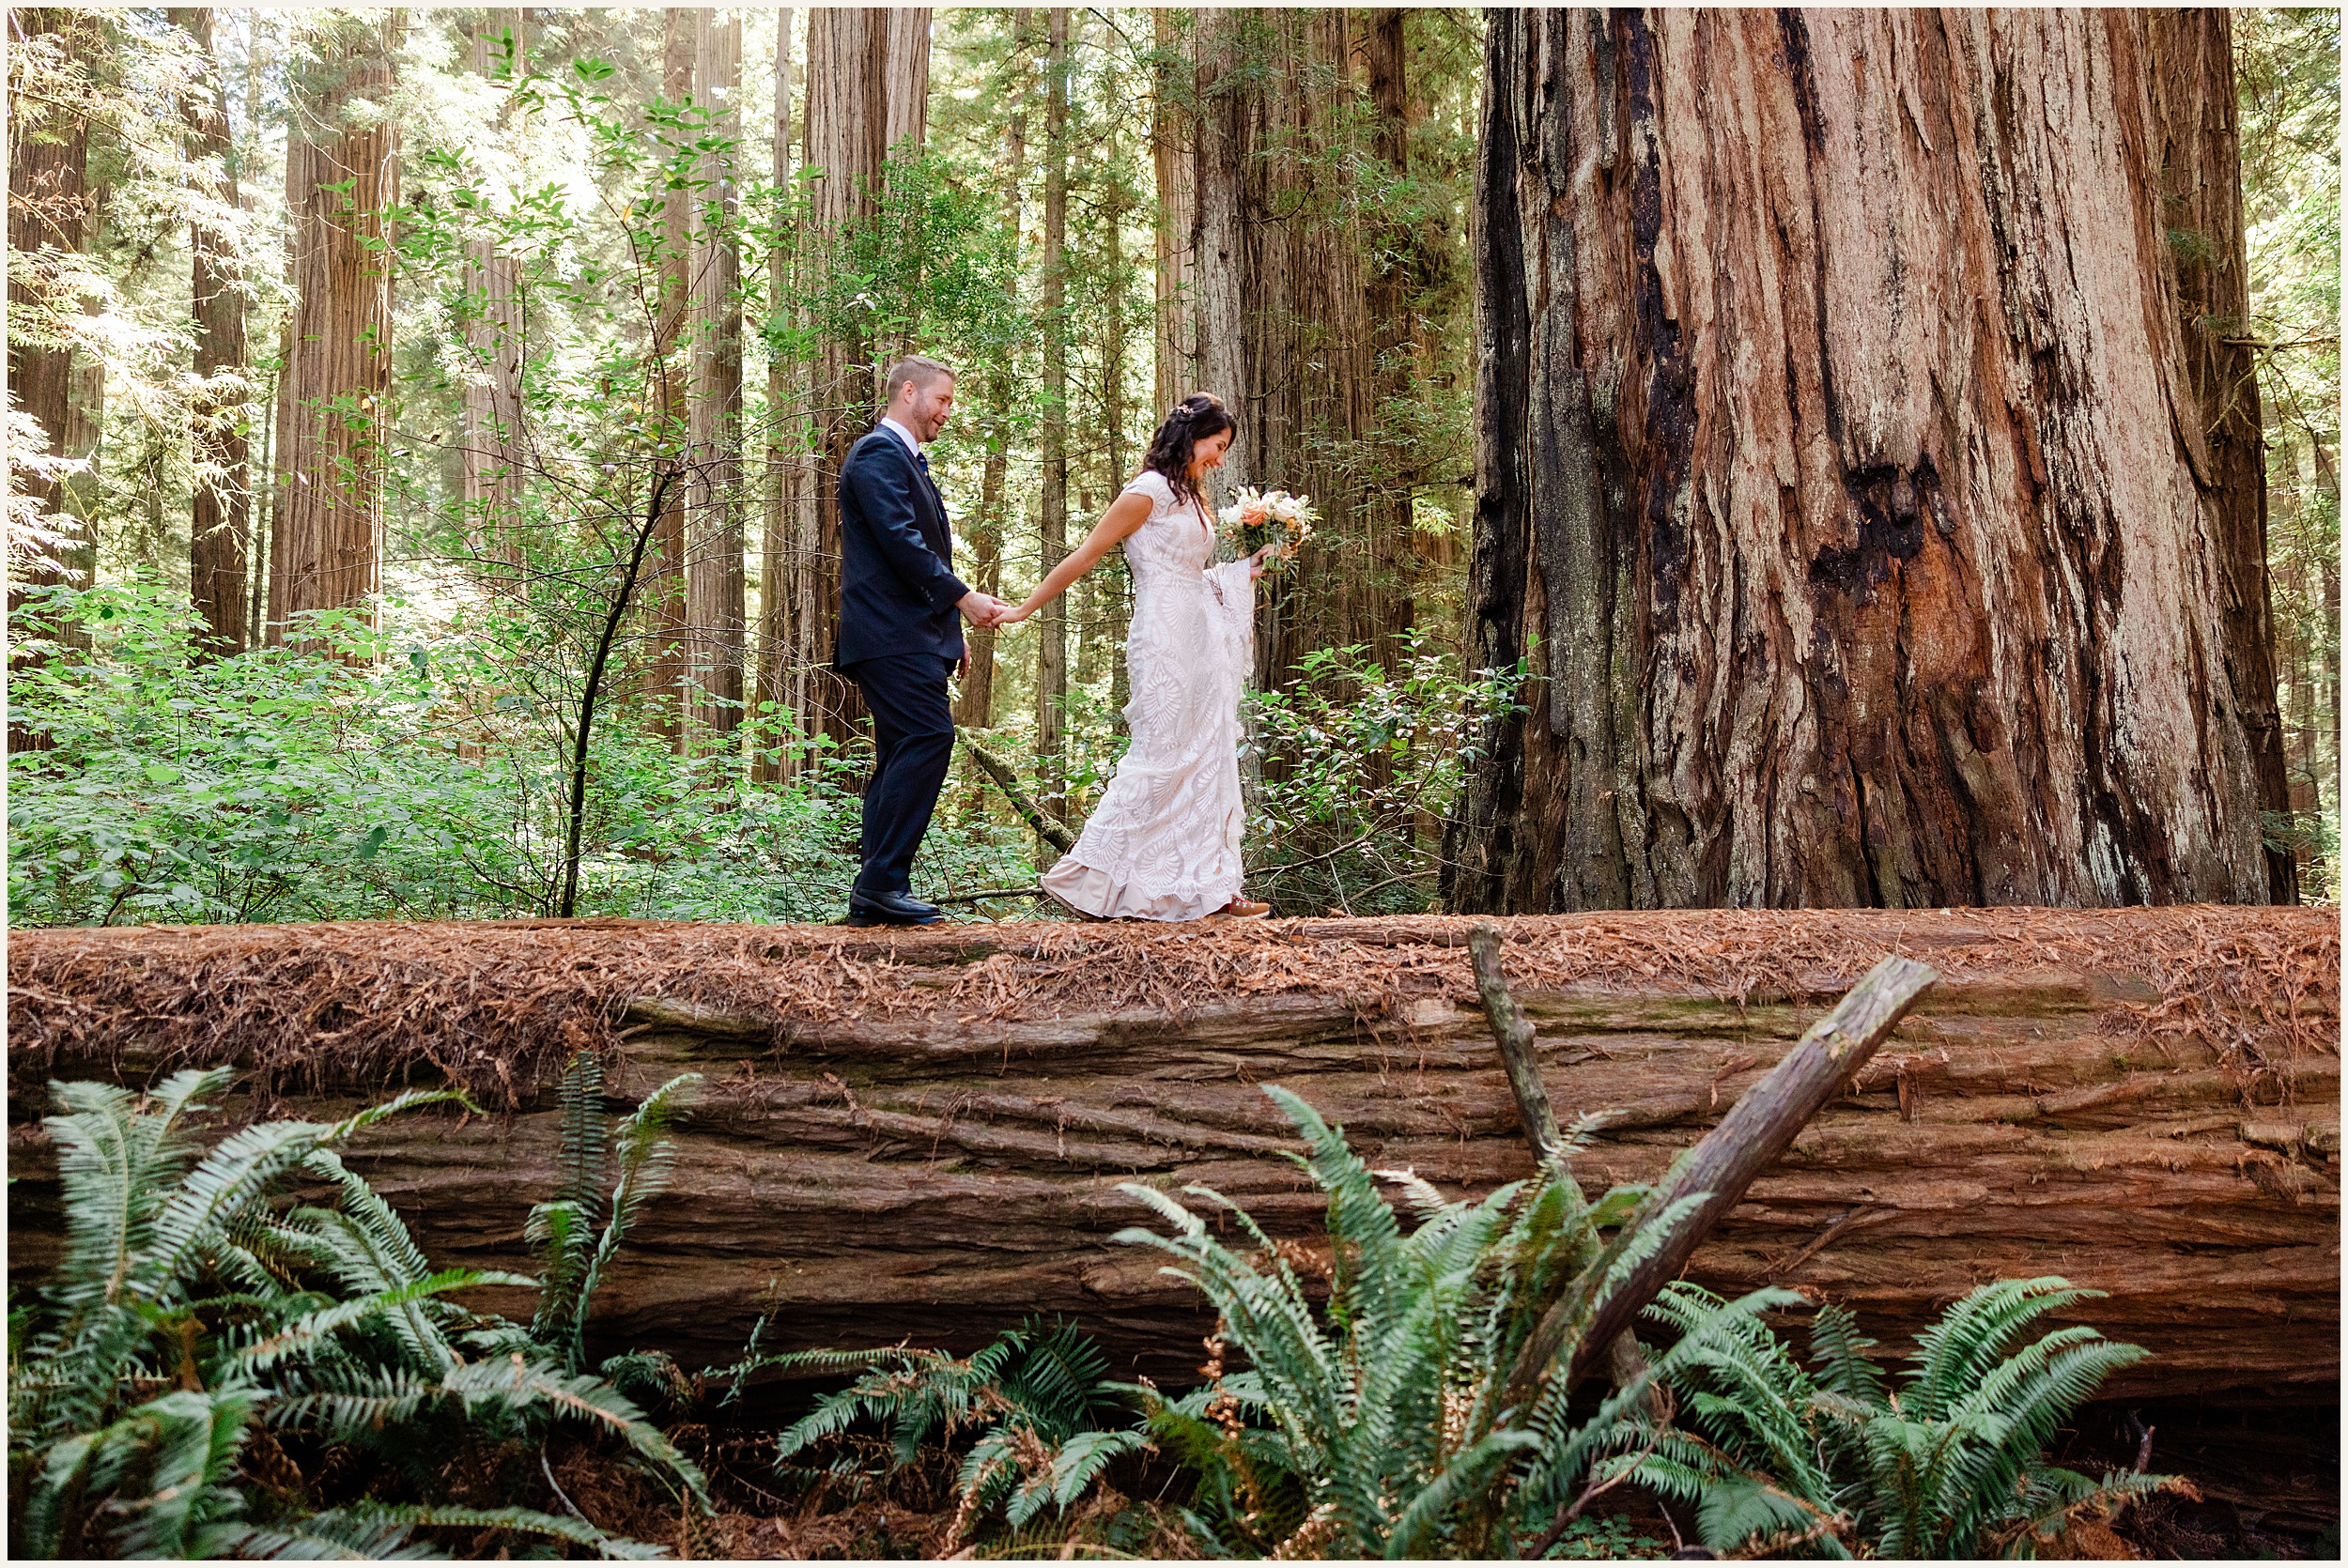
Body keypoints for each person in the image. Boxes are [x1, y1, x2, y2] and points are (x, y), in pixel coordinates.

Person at [997, 393, 1275, 920]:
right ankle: (1089, 878)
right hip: (1163, 639)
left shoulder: (1190, 495)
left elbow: (1193, 576)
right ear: (1191, 438)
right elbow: (1085, 554)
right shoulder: (1146, 492)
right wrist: (1023, 608)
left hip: (1198, 636)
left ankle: (1207, 887)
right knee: (1162, 755)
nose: (1219, 458)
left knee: (1205, 753)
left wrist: (1245, 569)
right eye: (1217, 446)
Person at [834, 356, 1012, 927]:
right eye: (942, 400)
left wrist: (951, 635)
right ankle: (883, 883)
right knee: (929, 738)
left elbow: (927, 554)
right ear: (908, 392)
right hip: (887, 635)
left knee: (899, 755)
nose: (946, 412)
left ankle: (874, 896)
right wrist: (964, 598)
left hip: (913, 636)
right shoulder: (878, 455)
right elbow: (902, 543)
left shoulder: (910, 463)